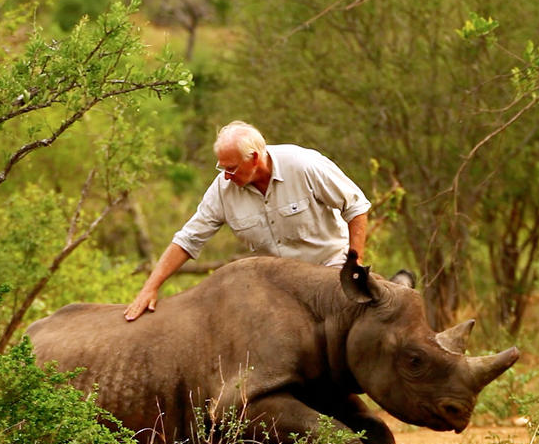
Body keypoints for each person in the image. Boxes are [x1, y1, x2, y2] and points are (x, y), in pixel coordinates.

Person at [124, 120, 371, 321]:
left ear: (254, 158)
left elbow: (356, 206)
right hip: (280, 290)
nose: (226, 176)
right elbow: (189, 239)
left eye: (231, 168)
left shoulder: (304, 165)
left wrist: (355, 263)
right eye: (221, 168)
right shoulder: (223, 188)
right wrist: (150, 287)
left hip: (329, 272)